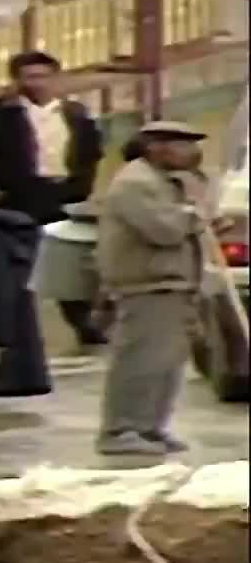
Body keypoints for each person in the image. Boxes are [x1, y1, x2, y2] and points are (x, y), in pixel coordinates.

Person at [0, 50, 107, 351]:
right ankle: (12, 333)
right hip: (15, 198)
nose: (37, 84)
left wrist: (80, 188)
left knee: (68, 262)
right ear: (17, 80)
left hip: (62, 196)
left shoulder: (75, 114)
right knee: (15, 266)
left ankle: (83, 323)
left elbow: (90, 154)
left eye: (43, 76)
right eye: (29, 77)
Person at [94, 120, 211, 456]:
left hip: (173, 283)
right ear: (157, 147)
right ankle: (121, 429)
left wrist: (198, 217)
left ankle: (150, 427)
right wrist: (193, 214)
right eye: (183, 145)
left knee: (166, 363)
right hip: (147, 283)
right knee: (140, 360)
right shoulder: (136, 182)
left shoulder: (165, 182)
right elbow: (165, 230)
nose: (192, 153)